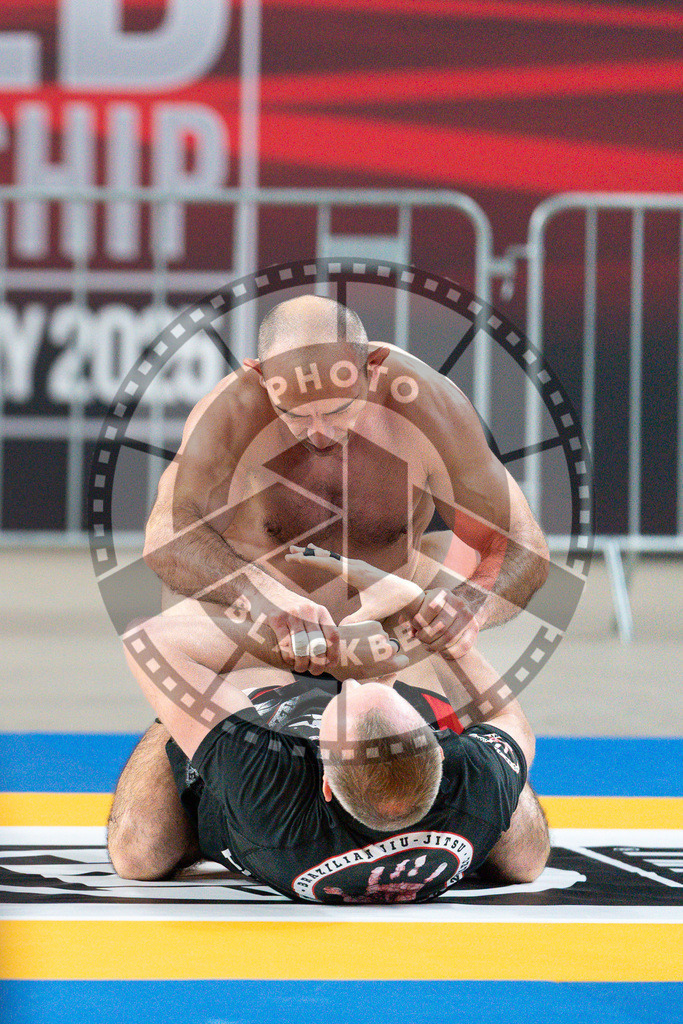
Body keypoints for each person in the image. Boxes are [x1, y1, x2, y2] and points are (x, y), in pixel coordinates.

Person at [109, 548, 550, 904]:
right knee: (526, 855)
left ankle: (364, 637)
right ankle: (385, 638)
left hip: (265, 742)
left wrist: (294, 644)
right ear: (441, 751)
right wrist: (440, 633)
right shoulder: (473, 783)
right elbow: (511, 723)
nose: (342, 682)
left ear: (322, 780)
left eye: (344, 690)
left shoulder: (268, 779)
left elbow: (147, 641)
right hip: (409, 755)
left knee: (139, 849)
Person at [142, 295, 549, 676]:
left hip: (388, 637)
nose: (319, 433)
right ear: (261, 378)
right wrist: (264, 596)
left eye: (338, 409)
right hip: (268, 638)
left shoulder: (427, 405)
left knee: (494, 730)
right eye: (295, 415)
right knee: (165, 746)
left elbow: (522, 542)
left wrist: (470, 606)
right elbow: (165, 533)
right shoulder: (233, 411)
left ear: (373, 368)